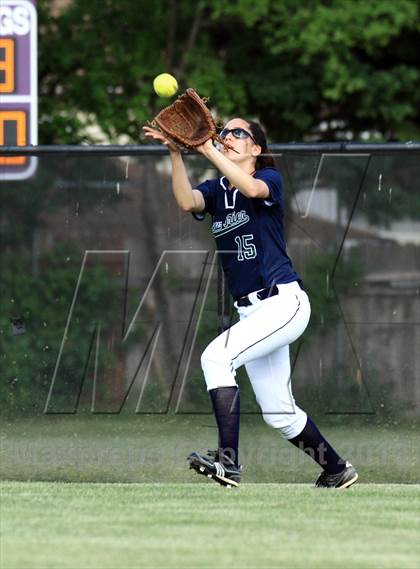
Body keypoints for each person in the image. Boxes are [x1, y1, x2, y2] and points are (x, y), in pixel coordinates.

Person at [143, 118, 358, 489]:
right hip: (251, 310)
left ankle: (228, 464)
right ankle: (336, 469)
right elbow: (186, 200)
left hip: (282, 302)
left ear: (256, 148)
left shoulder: (269, 179)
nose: (228, 136)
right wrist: (176, 154)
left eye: (238, 133)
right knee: (279, 412)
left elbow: (252, 189)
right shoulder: (217, 189)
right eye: (224, 132)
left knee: (215, 357)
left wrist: (209, 148)